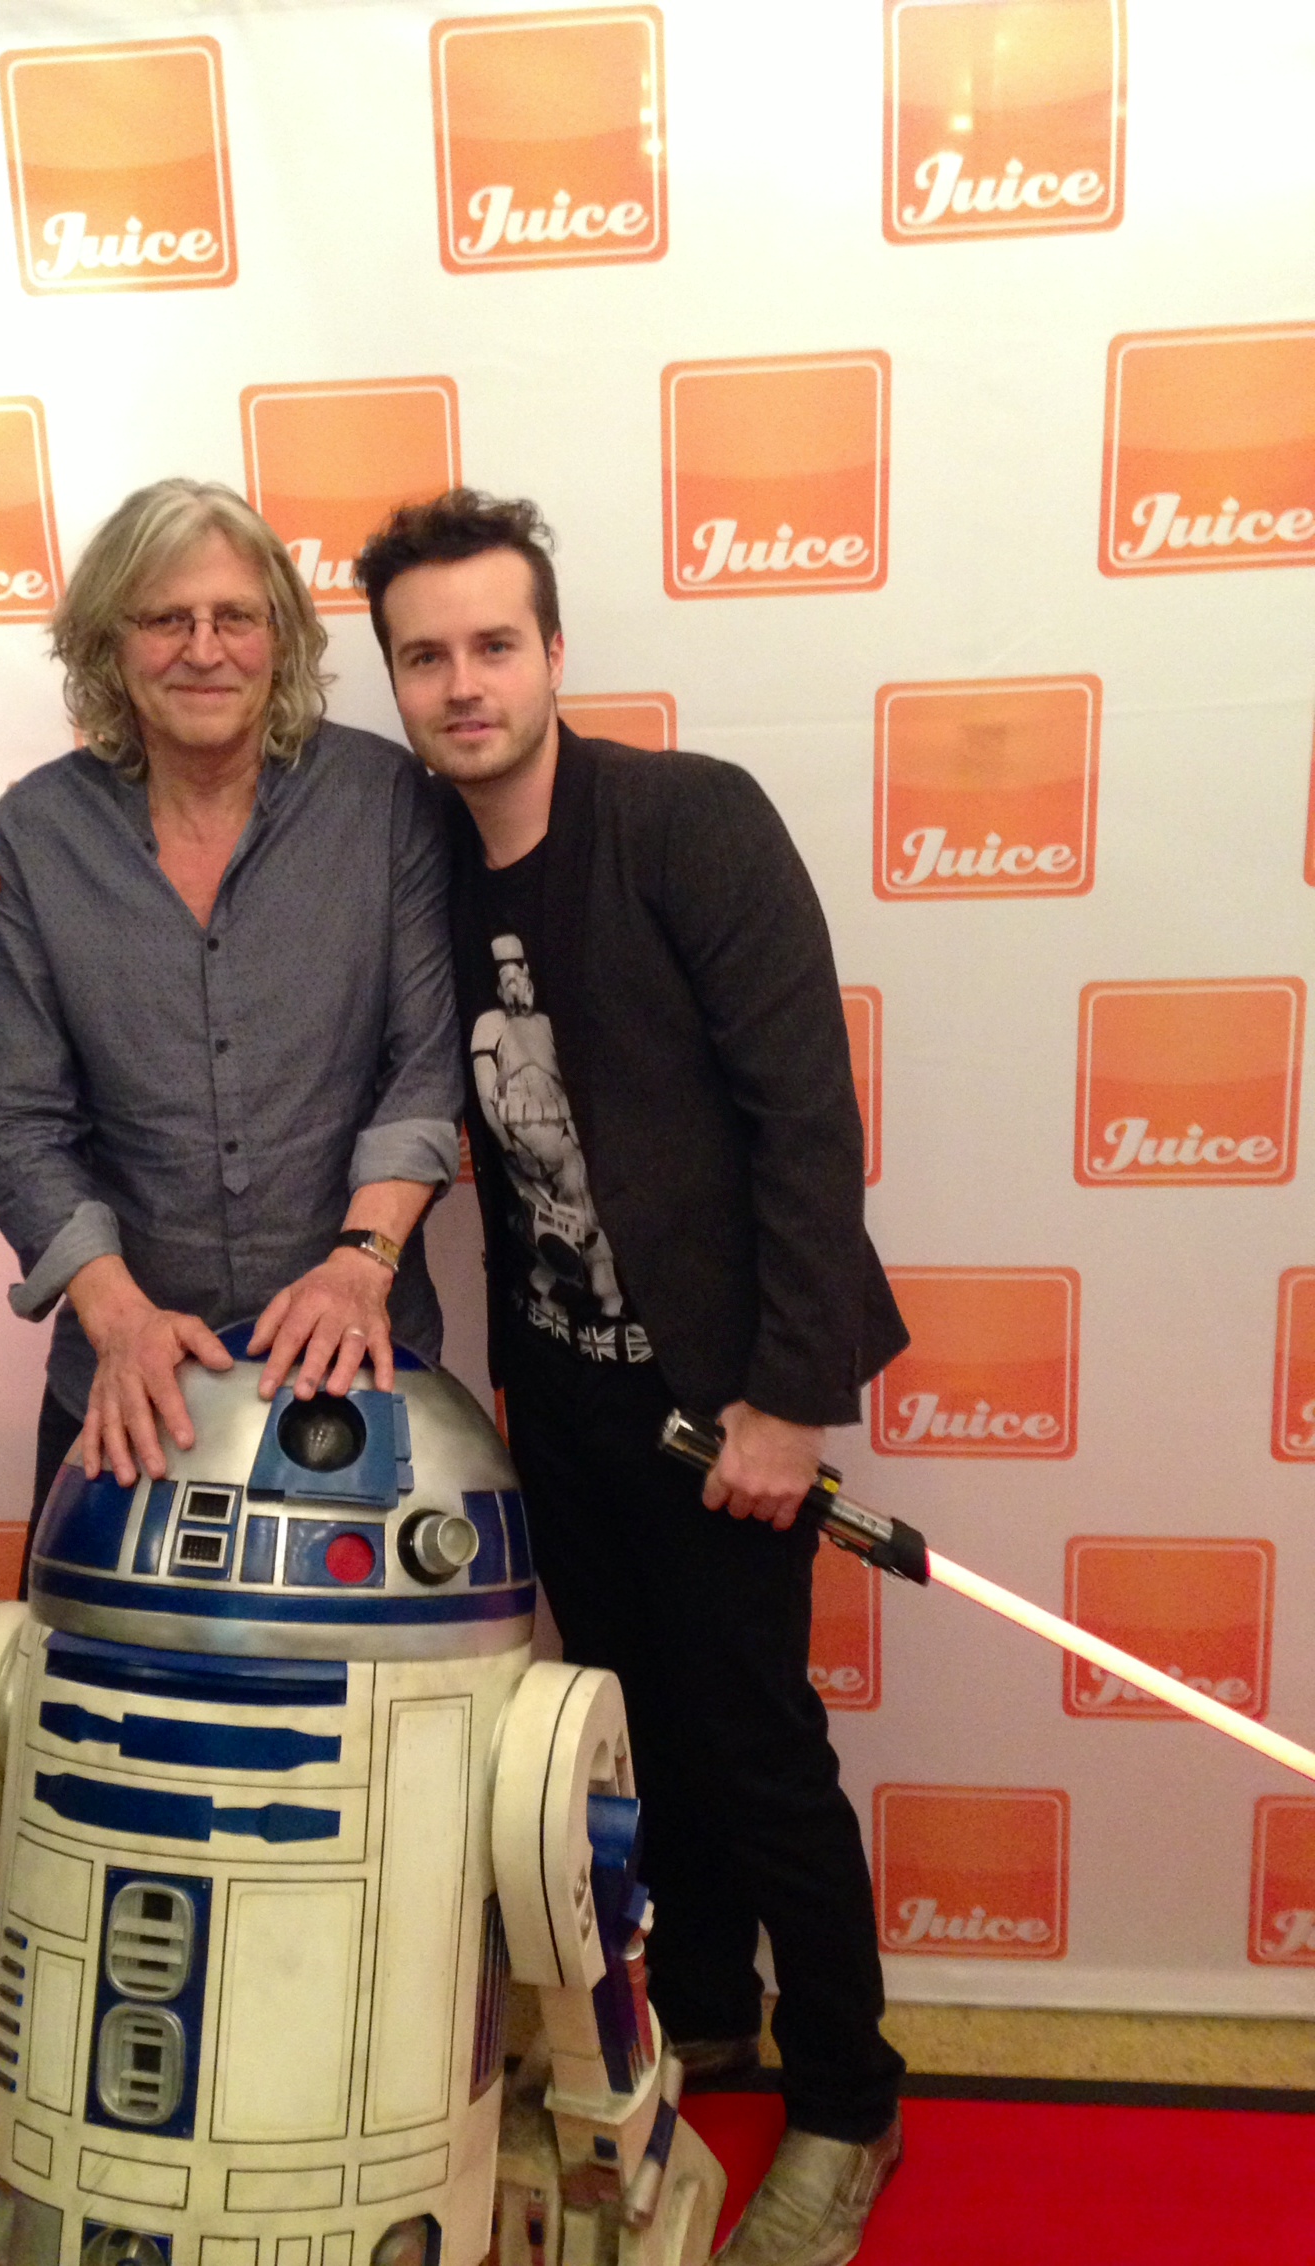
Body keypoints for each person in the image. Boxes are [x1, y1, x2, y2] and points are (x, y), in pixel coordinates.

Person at [0, 478, 460, 2266]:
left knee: (372, 1786)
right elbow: (18, 1114)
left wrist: (364, 1257)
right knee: (67, 1767)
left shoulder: (381, 810)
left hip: (354, 1389)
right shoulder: (35, 838)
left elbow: (422, 1053)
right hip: (122, 1388)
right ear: (108, 645)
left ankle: (365, 2108)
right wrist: (113, 1313)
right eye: (164, 618)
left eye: (237, 615)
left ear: (282, 639)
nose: (204, 647)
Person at [352, 490, 910, 2266]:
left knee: (755, 1747)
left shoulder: (688, 819)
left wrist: (789, 1399)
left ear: (555, 652)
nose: (463, 683)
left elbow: (806, 1125)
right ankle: (717, 2017)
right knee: (627, 1749)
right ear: (395, 679)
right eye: (424, 655)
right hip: (566, 1403)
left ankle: (847, 2097)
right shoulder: (414, 866)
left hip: (726, 1393)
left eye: (492, 643)